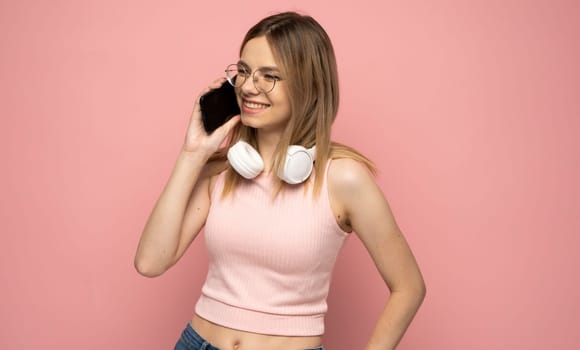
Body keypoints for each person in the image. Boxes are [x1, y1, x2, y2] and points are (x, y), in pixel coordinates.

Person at [134, 11, 426, 350]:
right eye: (243, 71)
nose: (247, 86)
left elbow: (409, 287)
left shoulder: (343, 178)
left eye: (269, 76)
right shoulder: (221, 170)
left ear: (308, 86)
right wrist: (191, 154)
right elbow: (150, 262)